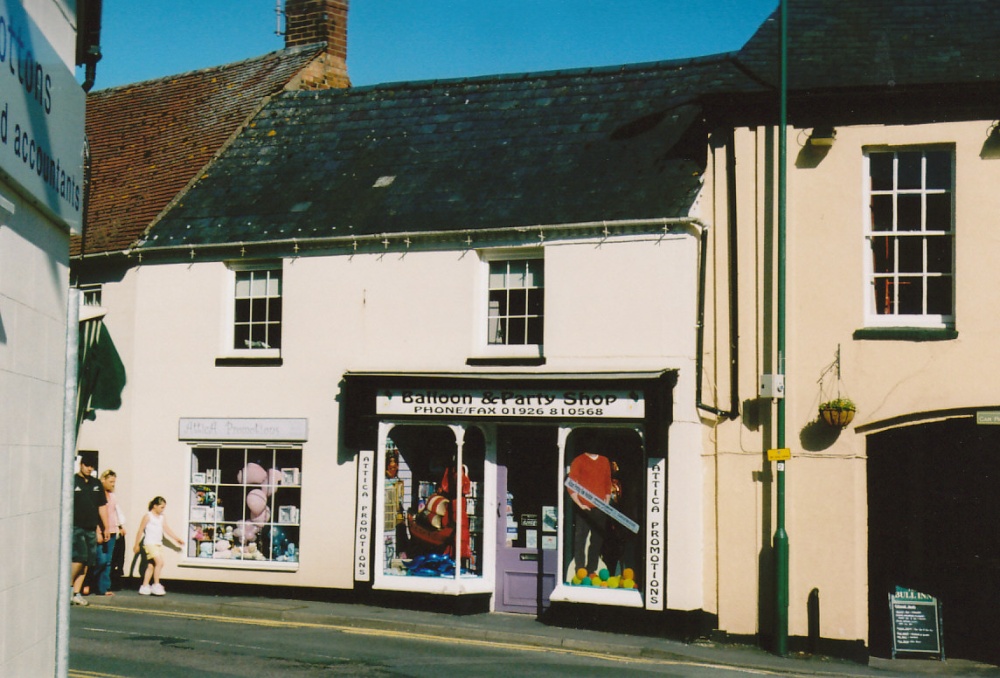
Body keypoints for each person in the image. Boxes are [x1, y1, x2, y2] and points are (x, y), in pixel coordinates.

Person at [71, 452, 110, 606]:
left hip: (91, 528)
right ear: (81, 465)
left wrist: (105, 527)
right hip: (76, 527)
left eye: (91, 466)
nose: (89, 468)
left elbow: (102, 506)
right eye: (86, 465)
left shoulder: (96, 484)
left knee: (87, 561)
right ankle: (67, 588)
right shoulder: (73, 481)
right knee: (79, 558)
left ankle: (76, 593)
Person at [567, 443, 612, 576]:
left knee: (597, 540)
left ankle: (591, 570)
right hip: (584, 508)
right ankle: (580, 570)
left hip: (600, 508)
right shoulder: (579, 460)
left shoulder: (604, 461)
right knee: (580, 540)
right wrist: (579, 504)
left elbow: (607, 482)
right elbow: (571, 484)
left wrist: (606, 501)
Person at [133, 496, 182, 596]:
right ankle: (156, 584)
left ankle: (144, 586)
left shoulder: (162, 517)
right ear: (155, 506)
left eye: (164, 507)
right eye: (161, 507)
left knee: (151, 566)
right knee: (160, 562)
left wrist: (176, 538)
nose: (163, 509)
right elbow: (140, 530)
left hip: (158, 544)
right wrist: (136, 544)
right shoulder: (148, 516)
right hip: (149, 543)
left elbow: (166, 528)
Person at [92, 469, 125, 596]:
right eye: (111, 482)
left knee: (108, 561)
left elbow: (116, 512)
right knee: (101, 559)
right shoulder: (97, 494)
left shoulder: (112, 496)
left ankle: (103, 588)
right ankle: (90, 581)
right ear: (103, 480)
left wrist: (120, 526)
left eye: (114, 482)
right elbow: (95, 513)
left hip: (111, 530)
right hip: (100, 530)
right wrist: (97, 531)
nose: (113, 484)